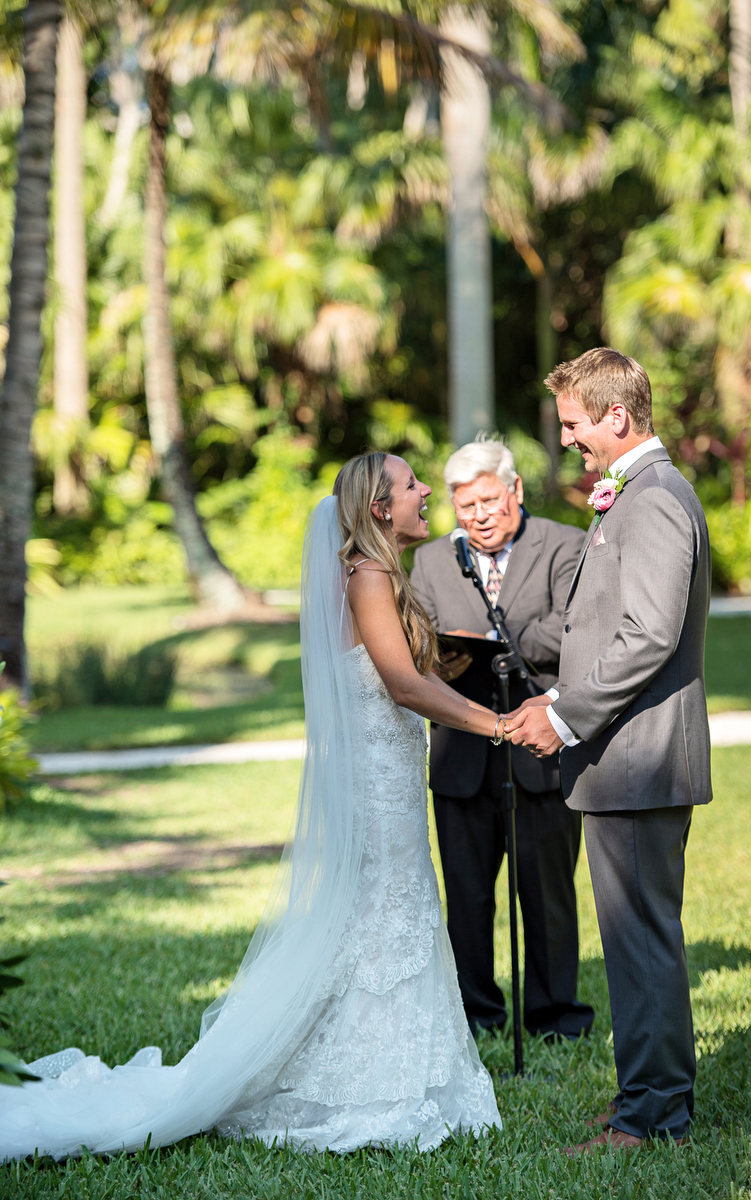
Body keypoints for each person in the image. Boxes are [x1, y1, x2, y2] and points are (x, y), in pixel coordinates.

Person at [0, 452, 504, 1161]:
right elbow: (402, 685)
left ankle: (390, 1070)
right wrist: (499, 725)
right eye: (412, 483)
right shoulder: (366, 577)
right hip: (376, 779)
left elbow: (412, 671)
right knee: (386, 910)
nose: (426, 492)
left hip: (389, 771)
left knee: (391, 908)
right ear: (381, 508)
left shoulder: (382, 573)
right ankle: (370, 1086)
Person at [504, 348, 712, 1153]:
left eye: (572, 424)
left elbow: (648, 635)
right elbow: (607, 632)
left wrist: (562, 722)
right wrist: (555, 698)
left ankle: (652, 1117)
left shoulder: (653, 498)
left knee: (640, 942)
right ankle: (645, 1096)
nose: (567, 441)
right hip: (624, 754)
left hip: (638, 759)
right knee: (634, 943)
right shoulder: (635, 494)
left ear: (615, 418)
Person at [411, 439, 594, 1042]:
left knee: (546, 893)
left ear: (514, 491)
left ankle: (553, 1017)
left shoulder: (566, 544)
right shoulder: (434, 560)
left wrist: (491, 644)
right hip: (462, 754)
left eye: (489, 500)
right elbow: (428, 648)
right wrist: (455, 647)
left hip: (542, 749)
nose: (478, 516)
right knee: (465, 895)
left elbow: (573, 628)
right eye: (466, 507)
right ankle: (475, 1015)